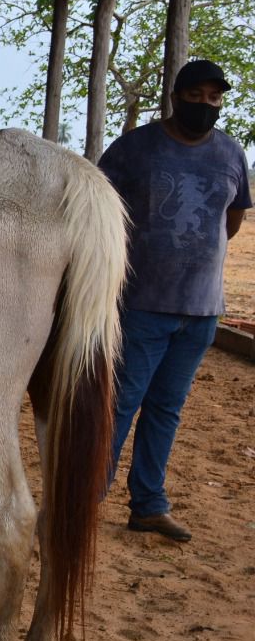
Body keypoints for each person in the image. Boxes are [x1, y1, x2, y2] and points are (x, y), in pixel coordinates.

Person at [99, 58, 250, 543]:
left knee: (166, 409)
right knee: (121, 404)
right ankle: (82, 501)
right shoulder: (135, 148)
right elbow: (99, 212)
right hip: (142, 303)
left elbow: (231, 219)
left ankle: (148, 504)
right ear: (175, 97)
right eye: (197, 96)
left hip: (202, 310)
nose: (206, 105)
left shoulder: (230, 152)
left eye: (214, 98)